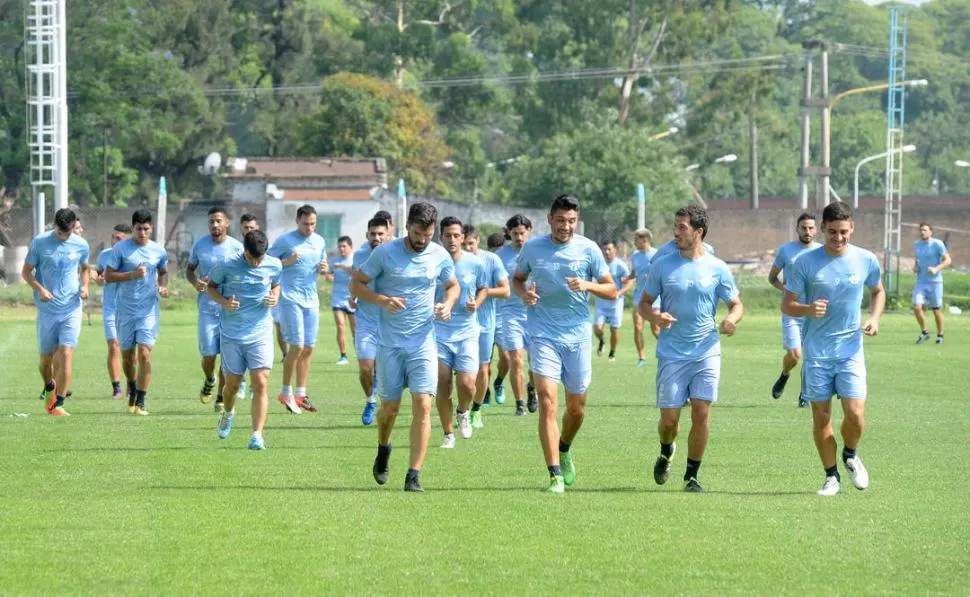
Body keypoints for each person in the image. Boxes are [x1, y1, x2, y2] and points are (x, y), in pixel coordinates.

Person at [351, 201, 458, 492]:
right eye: (417, 233)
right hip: (390, 344)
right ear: (407, 226)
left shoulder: (438, 254)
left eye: (427, 234)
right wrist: (382, 300)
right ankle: (384, 448)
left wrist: (448, 304)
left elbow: (452, 285)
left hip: (423, 342)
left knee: (423, 405)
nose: (422, 239)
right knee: (390, 409)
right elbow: (357, 284)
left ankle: (413, 475)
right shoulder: (385, 253)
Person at [513, 195, 615, 493]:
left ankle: (565, 448)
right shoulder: (533, 248)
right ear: (550, 218)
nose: (566, 227)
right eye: (560, 221)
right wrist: (524, 294)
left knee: (577, 409)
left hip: (577, 336)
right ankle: (554, 474)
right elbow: (518, 279)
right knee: (547, 401)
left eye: (571, 221)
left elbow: (611, 289)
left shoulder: (588, 249)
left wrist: (588, 285)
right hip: (543, 333)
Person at [782, 201, 884, 496]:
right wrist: (807, 309)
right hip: (817, 353)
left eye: (843, 231)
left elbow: (877, 290)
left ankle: (850, 454)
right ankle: (831, 477)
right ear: (822, 229)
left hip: (851, 350)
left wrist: (875, 319)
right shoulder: (805, 262)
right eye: (832, 232)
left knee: (855, 415)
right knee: (822, 418)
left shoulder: (865, 259)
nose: (838, 238)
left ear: (852, 227)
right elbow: (787, 303)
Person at [640, 205, 743, 493]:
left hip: (706, 351)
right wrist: (655, 316)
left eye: (682, 227)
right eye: (675, 226)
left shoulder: (717, 267)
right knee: (669, 419)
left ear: (698, 232)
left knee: (701, 412)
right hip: (672, 353)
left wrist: (731, 319)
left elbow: (736, 304)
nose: (676, 232)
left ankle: (692, 476)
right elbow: (644, 304)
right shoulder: (663, 264)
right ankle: (666, 449)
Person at [207, 230, 283, 450]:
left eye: (260, 258)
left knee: (260, 382)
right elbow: (211, 288)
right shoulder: (227, 265)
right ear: (244, 252)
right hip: (232, 334)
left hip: (260, 333)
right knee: (231, 385)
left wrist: (274, 296)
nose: (257, 263)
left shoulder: (274, 264)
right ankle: (228, 413)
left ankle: (257, 435)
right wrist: (224, 302)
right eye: (252, 258)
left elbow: (276, 283)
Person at [23, 208, 90, 417]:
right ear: (54, 225)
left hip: (71, 308)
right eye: (60, 232)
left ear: (73, 227)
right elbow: (26, 272)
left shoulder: (80, 244)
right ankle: (49, 385)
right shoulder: (40, 243)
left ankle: (58, 403)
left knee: (67, 352)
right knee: (46, 361)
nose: (63, 236)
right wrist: (40, 289)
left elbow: (86, 268)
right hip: (47, 311)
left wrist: (85, 286)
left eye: (67, 233)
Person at [104, 209, 169, 415]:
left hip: (148, 310)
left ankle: (140, 400)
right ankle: (131, 384)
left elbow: (163, 271)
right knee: (127, 357)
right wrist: (132, 274)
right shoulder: (121, 249)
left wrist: (163, 286)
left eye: (146, 229)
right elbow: (108, 276)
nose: (142, 233)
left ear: (151, 229)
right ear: (132, 228)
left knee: (145, 354)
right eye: (139, 229)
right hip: (124, 310)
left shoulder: (158, 251)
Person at [268, 204, 328, 415]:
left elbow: (322, 264)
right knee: (297, 346)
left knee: (309, 347)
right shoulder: (285, 240)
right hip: (290, 297)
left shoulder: (319, 241)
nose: (309, 228)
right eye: (305, 224)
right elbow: (267, 262)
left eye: (313, 224)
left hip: (311, 299)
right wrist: (287, 261)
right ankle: (286, 392)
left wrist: (324, 269)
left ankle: (301, 395)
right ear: (297, 221)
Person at [434, 218, 488, 448]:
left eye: (457, 235)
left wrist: (477, 302)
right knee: (443, 383)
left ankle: (463, 411)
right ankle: (448, 433)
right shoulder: (432, 262)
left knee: (467, 385)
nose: (452, 240)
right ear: (441, 237)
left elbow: (484, 287)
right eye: (448, 235)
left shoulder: (475, 264)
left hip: (467, 332)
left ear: (463, 237)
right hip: (438, 332)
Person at [186, 207, 244, 413]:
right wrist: (195, 282)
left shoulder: (237, 248)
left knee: (227, 356)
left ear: (227, 223)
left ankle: (220, 396)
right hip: (207, 308)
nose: (215, 225)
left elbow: (243, 273)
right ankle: (210, 379)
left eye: (219, 221)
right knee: (209, 355)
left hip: (229, 309)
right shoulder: (200, 245)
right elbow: (189, 269)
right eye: (211, 221)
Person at [768, 213, 819, 407]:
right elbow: (772, 278)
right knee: (795, 354)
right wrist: (787, 292)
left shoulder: (822, 252)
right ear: (797, 229)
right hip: (792, 310)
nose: (807, 231)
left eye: (811, 228)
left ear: (816, 229)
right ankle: (784, 374)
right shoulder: (786, 251)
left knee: (811, 357)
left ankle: (805, 395)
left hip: (813, 312)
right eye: (804, 228)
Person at [462, 225, 510, 428]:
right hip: (460, 325)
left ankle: (476, 410)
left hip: (485, 323)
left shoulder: (491, 260)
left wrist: (483, 293)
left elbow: (506, 290)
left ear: (478, 241)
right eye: (463, 245)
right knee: (461, 373)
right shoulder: (453, 260)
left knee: (483, 368)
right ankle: (461, 411)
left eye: (470, 244)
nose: (466, 248)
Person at [495, 215, 538, 415]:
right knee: (516, 358)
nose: (519, 237)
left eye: (522, 233)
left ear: (529, 231)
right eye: (515, 234)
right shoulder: (500, 256)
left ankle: (532, 387)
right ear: (508, 233)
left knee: (535, 361)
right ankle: (520, 403)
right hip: (509, 312)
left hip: (536, 313)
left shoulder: (539, 251)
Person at [352, 215, 391, 426]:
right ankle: (370, 400)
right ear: (367, 235)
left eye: (380, 234)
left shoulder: (395, 254)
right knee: (366, 367)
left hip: (390, 322)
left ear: (388, 234)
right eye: (373, 234)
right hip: (366, 320)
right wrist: (352, 296)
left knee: (385, 370)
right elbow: (356, 280)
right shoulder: (359, 255)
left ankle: (384, 397)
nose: (376, 237)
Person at [95, 224, 132, 400]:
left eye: (119, 238)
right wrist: (100, 279)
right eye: (113, 237)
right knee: (113, 346)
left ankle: (131, 384)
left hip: (129, 309)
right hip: (110, 308)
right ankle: (117, 387)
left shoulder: (133, 255)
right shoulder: (104, 256)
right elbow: (98, 276)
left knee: (130, 350)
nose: (115, 241)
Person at [620, 229, 658, 368]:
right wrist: (628, 278)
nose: (634, 242)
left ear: (644, 240)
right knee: (638, 327)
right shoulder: (635, 255)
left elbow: (663, 272)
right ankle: (642, 358)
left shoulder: (656, 254)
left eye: (636, 239)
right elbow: (635, 272)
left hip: (655, 297)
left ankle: (667, 353)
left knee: (656, 329)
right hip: (638, 297)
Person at [912, 223, 951, 345]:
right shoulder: (917, 244)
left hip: (935, 282)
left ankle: (940, 335)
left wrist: (936, 269)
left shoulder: (937, 244)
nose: (922, 232)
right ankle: (925, 332)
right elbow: (917, 259)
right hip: (921, 281)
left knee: (936, 310)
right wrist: (916, 267)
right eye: (921, 230)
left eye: (925, 230)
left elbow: (948, 260)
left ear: (931, 232)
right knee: (917, 307)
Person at [592, 240, 630, 362]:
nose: (607, 252)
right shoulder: (599, 264)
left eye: (609, 249)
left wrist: (619, 293)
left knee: (614, 329)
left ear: (615, 250)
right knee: (597, 328)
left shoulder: (620, 265)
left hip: (616, 304)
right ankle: (602, 341)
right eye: (605, 249)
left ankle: (612, 352)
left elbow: (629, 282)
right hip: (601, 303)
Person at [483, 232, 509, 406]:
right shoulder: (484, 263)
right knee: (486, 363)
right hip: (485, 318)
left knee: (507, 358)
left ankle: (499, 382)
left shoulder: (509, 263)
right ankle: (485, 392)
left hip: (504, 319)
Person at [328, 235, 356, 365]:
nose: (341, 249)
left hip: (353, 297)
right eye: (339, 246)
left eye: (344, 246)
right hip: (338, 297)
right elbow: (329, 273)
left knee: (355, 329)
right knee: (340, 325)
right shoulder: (334, 260)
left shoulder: (355, 259)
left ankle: (360, 353)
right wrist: (329, 276)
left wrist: (342, 266)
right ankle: (343, 355)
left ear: (350, 247)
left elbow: (354, 273)